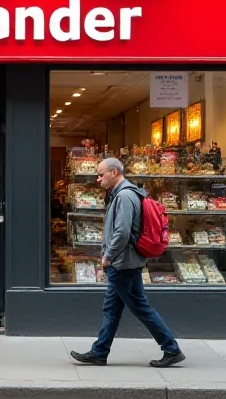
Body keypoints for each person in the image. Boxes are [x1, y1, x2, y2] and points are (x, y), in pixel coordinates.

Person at [69, 157, 186, 368]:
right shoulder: (127, 193)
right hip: (127, 261)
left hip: (123, 262)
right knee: (112, 308)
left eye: (101, 174)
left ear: (114, 173)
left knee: (140, 308)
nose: (98, 179)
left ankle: (171, 348)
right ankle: (100, 352)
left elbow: (122, 232)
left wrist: (108, 256)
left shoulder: (124, 196)